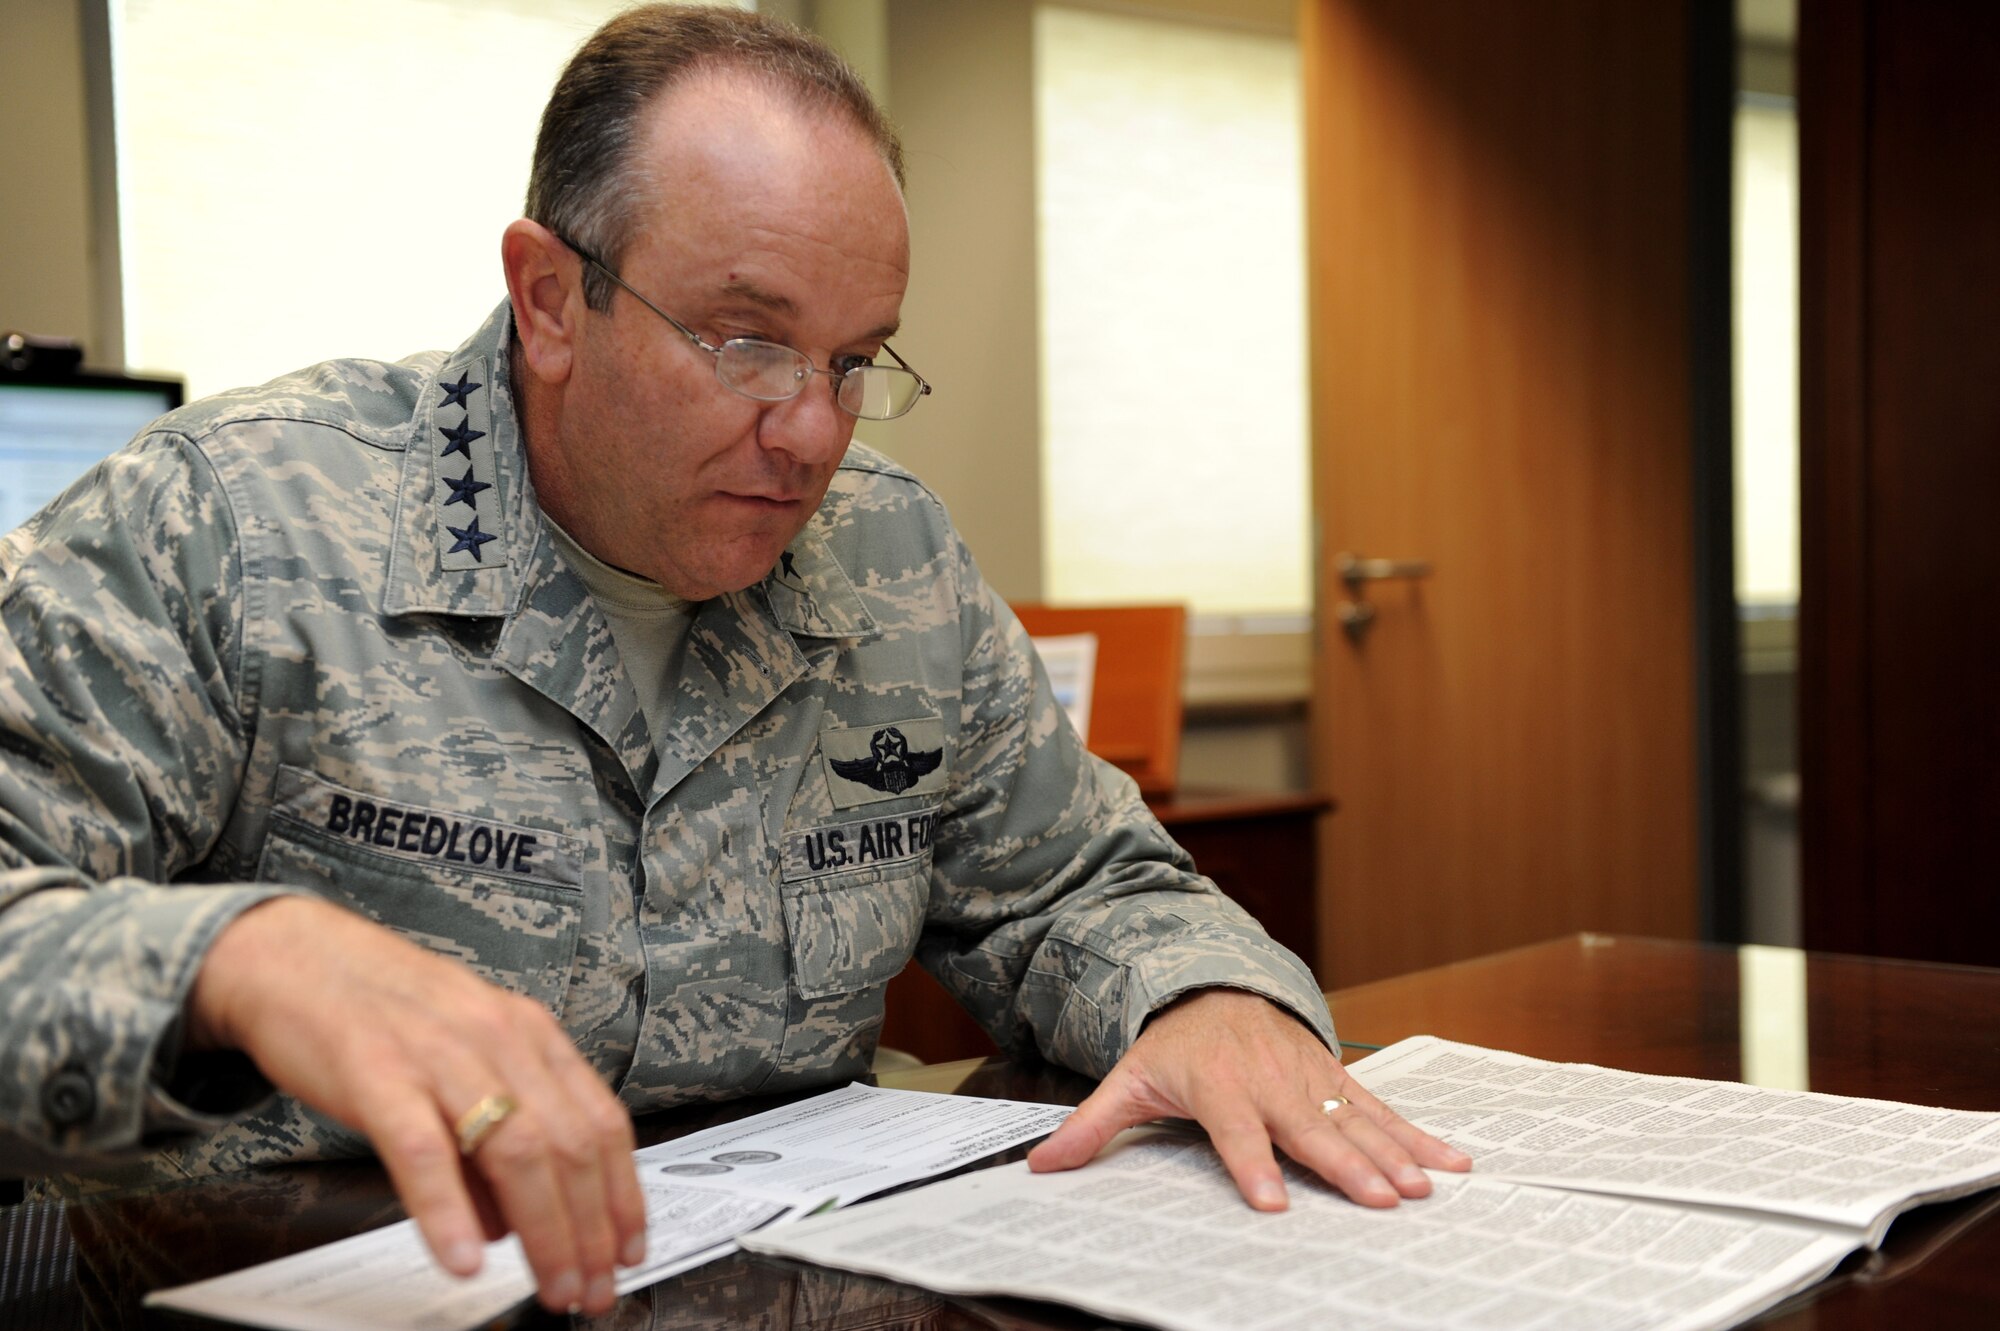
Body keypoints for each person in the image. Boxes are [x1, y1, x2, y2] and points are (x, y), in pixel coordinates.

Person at [0, 4, 1466, 1317]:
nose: (814, 433)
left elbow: (1081, 879)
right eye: (748, 341)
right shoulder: (234, 524)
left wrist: (1205, 998)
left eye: (852, 360)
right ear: (550, 297)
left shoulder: (891, 565)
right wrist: (236, 959)